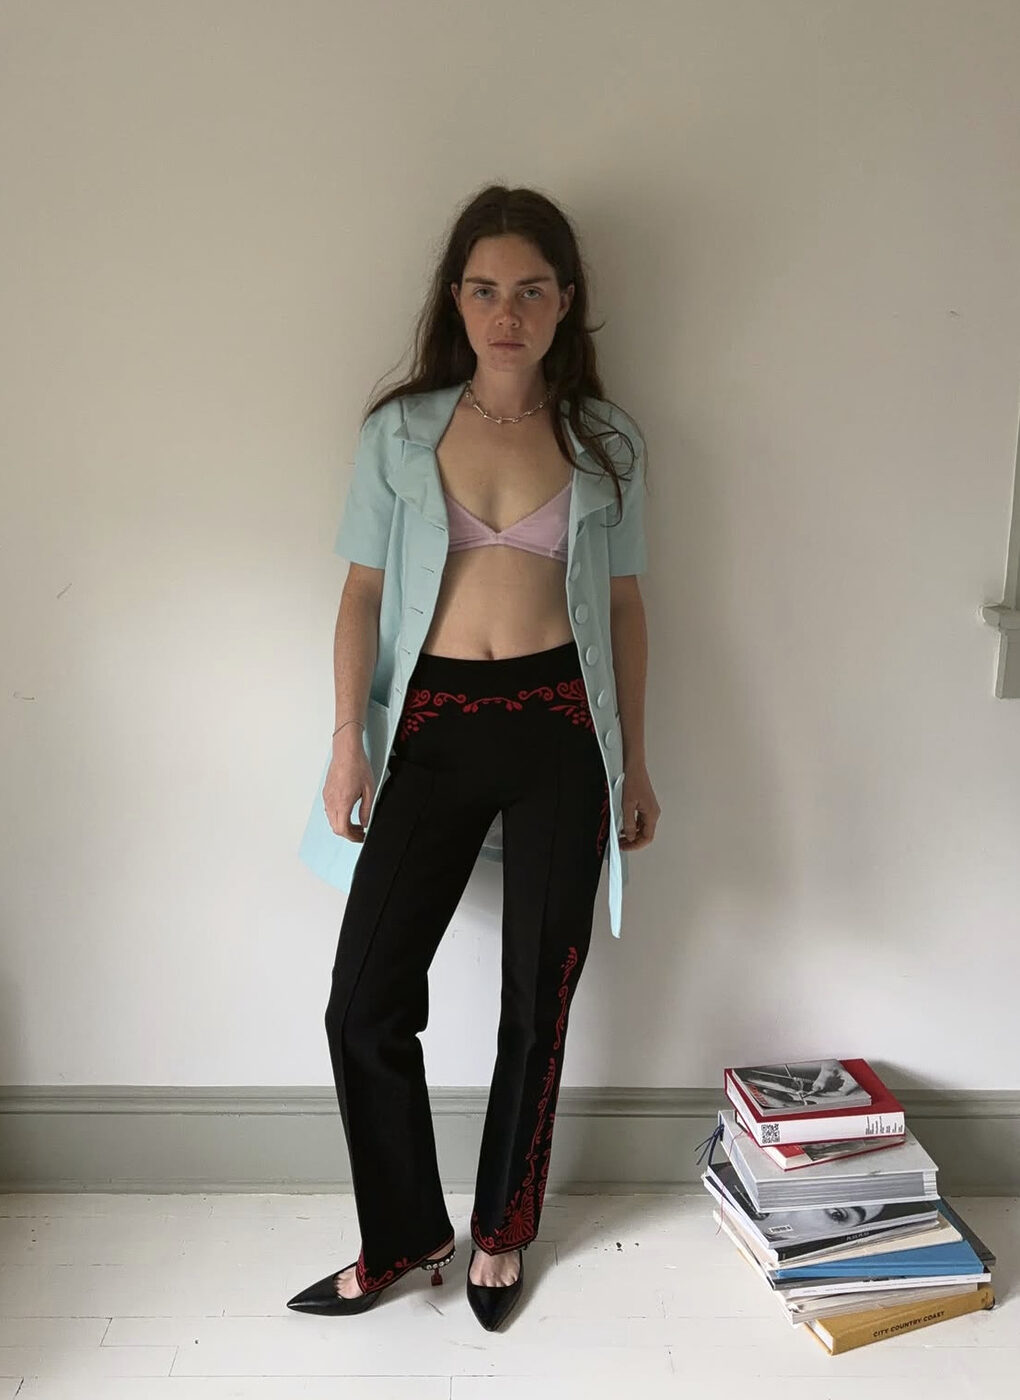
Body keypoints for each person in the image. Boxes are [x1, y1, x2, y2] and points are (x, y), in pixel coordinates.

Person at [287, 184, 659, 1331]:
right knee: (363, 1002)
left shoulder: (605, 440)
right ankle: (406, 1231)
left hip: (560, 730)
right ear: (456, 299)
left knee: (536, 1001)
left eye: (531, 290)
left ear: (565, 302)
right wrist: (346, 743)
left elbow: (625, 606)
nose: (508, 313)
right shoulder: (400, 433)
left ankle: (504, 1228)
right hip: (431, 730)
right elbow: (360, 593)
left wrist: (635, 762)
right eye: (487, 289)